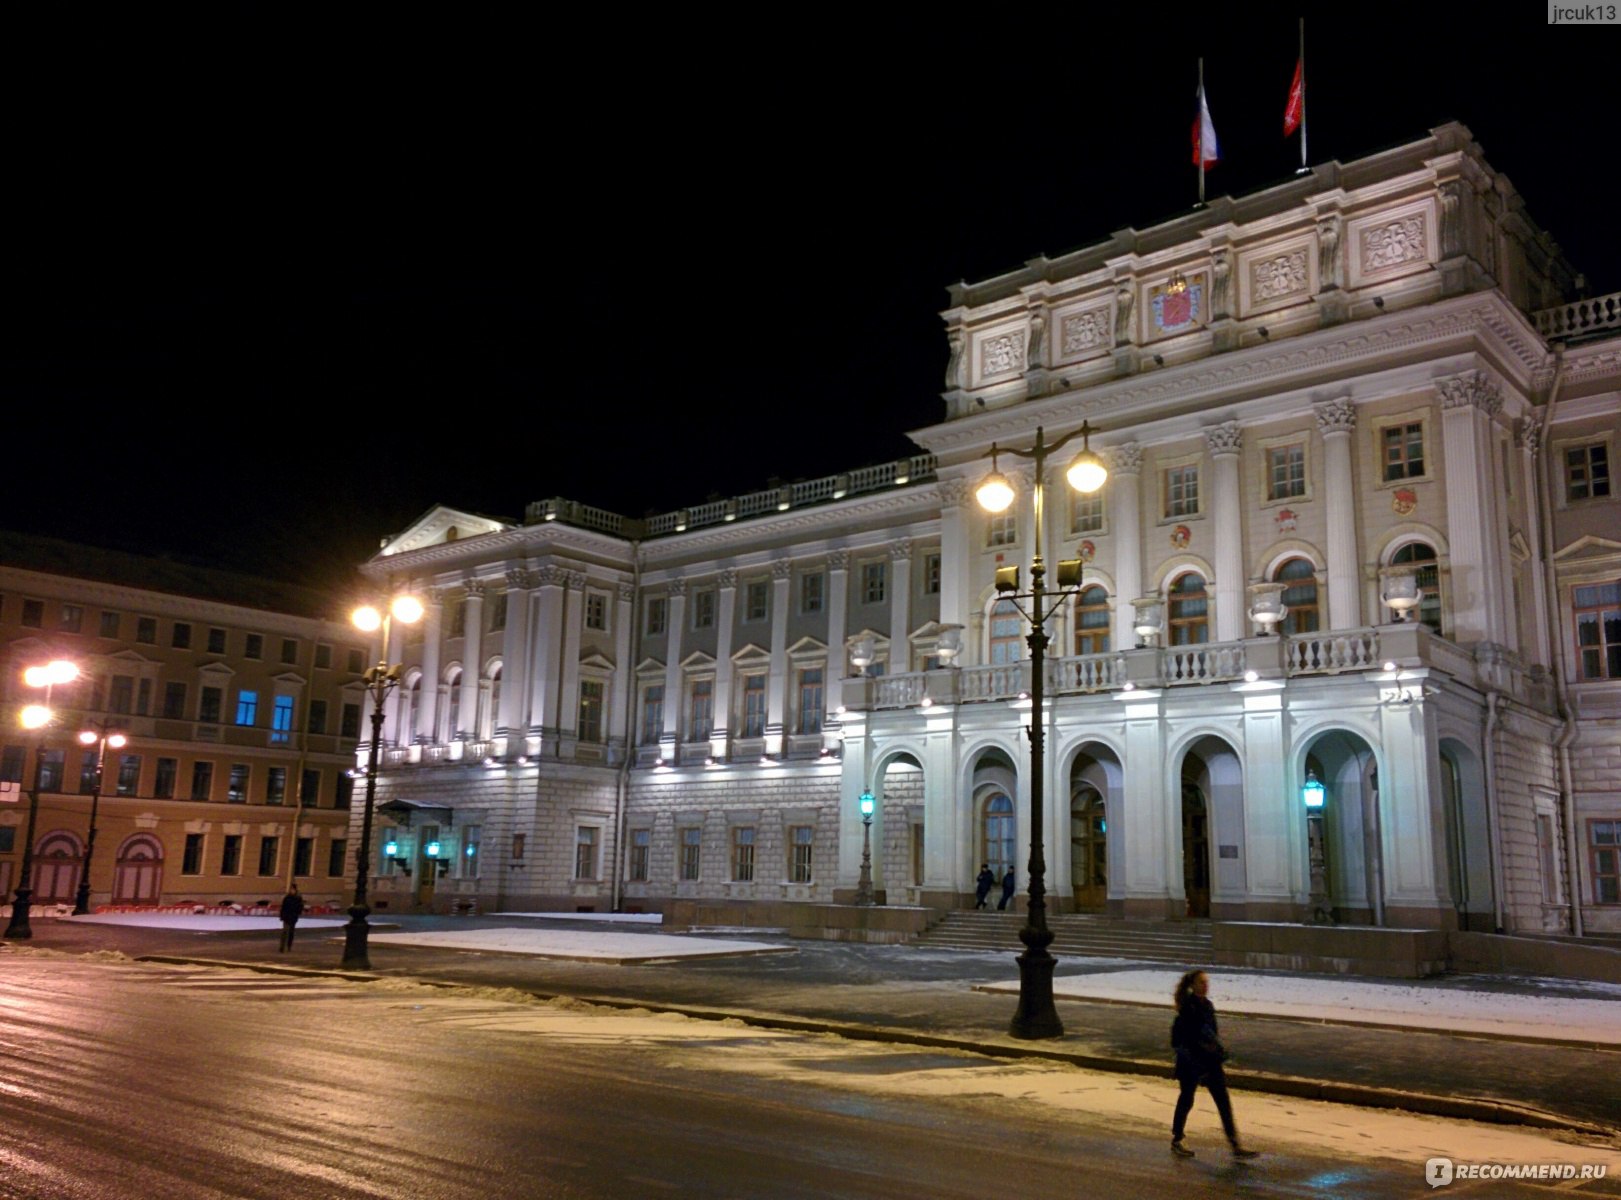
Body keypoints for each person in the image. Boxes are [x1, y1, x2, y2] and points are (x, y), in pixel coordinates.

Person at [1169, 970, 1257, 1160]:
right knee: (1187, 1098)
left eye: (1207, 982)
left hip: (1209, 1061)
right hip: (1191, 1062)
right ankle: (1177, 1138)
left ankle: (1235, 1144)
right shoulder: (1188, 1007)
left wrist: (1218, 1051)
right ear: (1193, 985)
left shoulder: (1208, 1006)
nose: (1205, 985)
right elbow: (1189, 1039)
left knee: (1223, 1102)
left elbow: (1212, 1035)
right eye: (1201, 982)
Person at [278, 884, 305, 953]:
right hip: (286, 917)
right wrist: (282, 916)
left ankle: (289, 946)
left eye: (293, 889)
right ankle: (282, 947)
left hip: (293, 917)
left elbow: (300, 908)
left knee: (291, 932)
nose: (291, 891)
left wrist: (297, 914)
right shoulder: (287, 898)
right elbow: (283, 907)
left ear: (295, 890)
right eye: (291, 889)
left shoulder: (298, 898)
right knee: (284, 931)